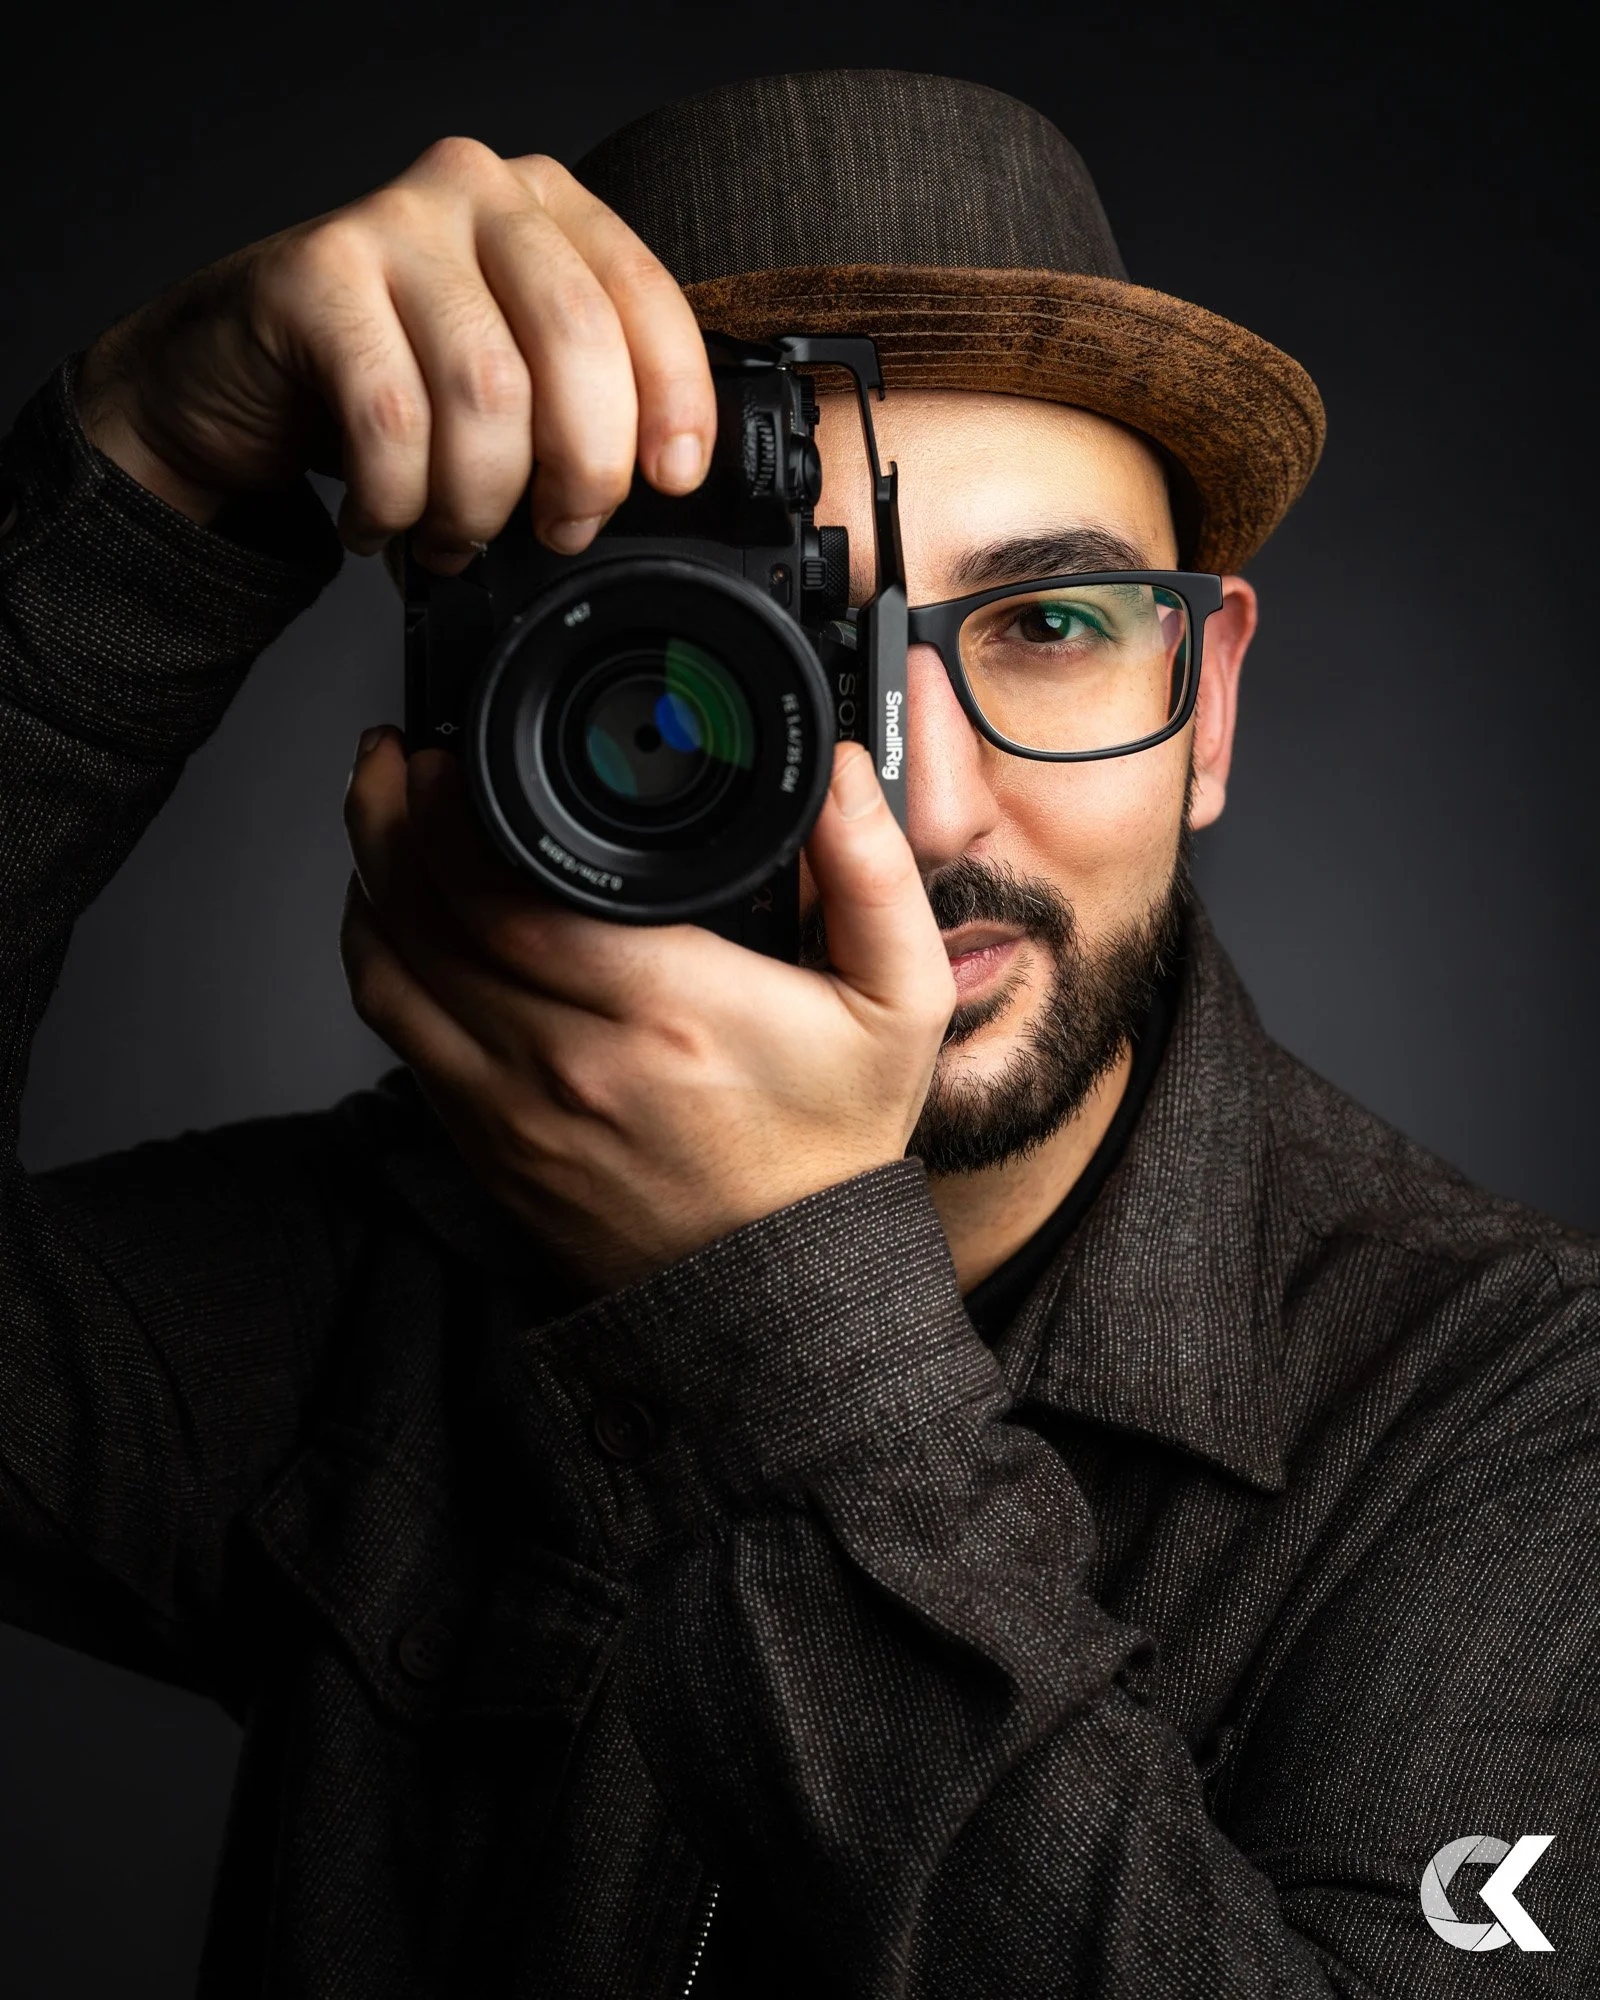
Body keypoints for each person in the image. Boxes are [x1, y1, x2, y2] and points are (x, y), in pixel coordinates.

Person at [0, 65, 1593, 1998]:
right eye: (757, 656)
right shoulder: (374, 1282)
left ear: (1212, 706)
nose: (916, 818)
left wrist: (764, 1313)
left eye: (1053, 627)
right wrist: (141, 483)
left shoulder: (1519, 1416)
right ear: (506, 695)